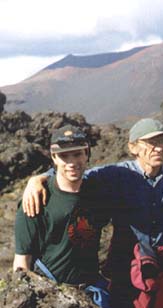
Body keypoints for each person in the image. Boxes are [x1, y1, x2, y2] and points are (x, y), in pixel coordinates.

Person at [22, 118, 163, 308]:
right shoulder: (117, 175)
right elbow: (75, 172)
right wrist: (40, 178)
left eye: (161, 141)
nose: (158, 147)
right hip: (132, 275)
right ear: (133, 148)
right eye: (150, 142)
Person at [13, 125, 111, 308]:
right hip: (53, 296)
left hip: (92, 293)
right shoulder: (36, 201)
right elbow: (21, 264)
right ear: (54, 158)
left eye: (77, 154)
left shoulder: (98, 193)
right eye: (64, 156)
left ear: (87, 154)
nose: (71, 162)